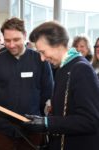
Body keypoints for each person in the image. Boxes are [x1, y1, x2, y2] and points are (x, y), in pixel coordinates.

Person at [24, 21, 99, 150]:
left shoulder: (81, 69)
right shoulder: (63, 68)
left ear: (58, 45)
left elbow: (90, 120)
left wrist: (47, 123)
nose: (42, 58)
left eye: (43, 52)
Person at [0, 17, 54, 150]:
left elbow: (47, 92)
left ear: (25, 35)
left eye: (16, 39)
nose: (11, 45)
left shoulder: (40, 60)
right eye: (7, 40)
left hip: (32, 128)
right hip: (3, 130)